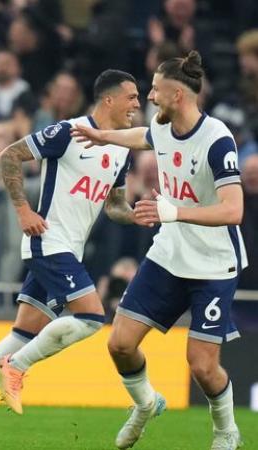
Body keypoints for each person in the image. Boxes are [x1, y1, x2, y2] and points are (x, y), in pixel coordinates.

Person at [0, 69, 142, 443]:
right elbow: (9, 155)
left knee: (22, 332)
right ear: (108, 99)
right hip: (47, 241)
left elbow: (114, 205)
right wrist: (22, 211)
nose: (137, 104)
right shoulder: (68, 132)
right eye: (131, 97)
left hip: (70, 248)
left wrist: (136, 214)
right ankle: (15, 369)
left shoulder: (122, 148)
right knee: (92, 318)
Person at [72, 51, 247, 450]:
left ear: (178, 96)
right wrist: (103, 136)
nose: (149, 97)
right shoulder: (163, 127)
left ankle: (225, 431)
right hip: (169, 256)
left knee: (202, 367)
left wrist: (174, 211)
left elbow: (234, 210)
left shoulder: (217, 140)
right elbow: (144, 137)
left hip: (213, 265)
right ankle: (146, 403)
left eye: (155, 89)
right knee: (119, 344)